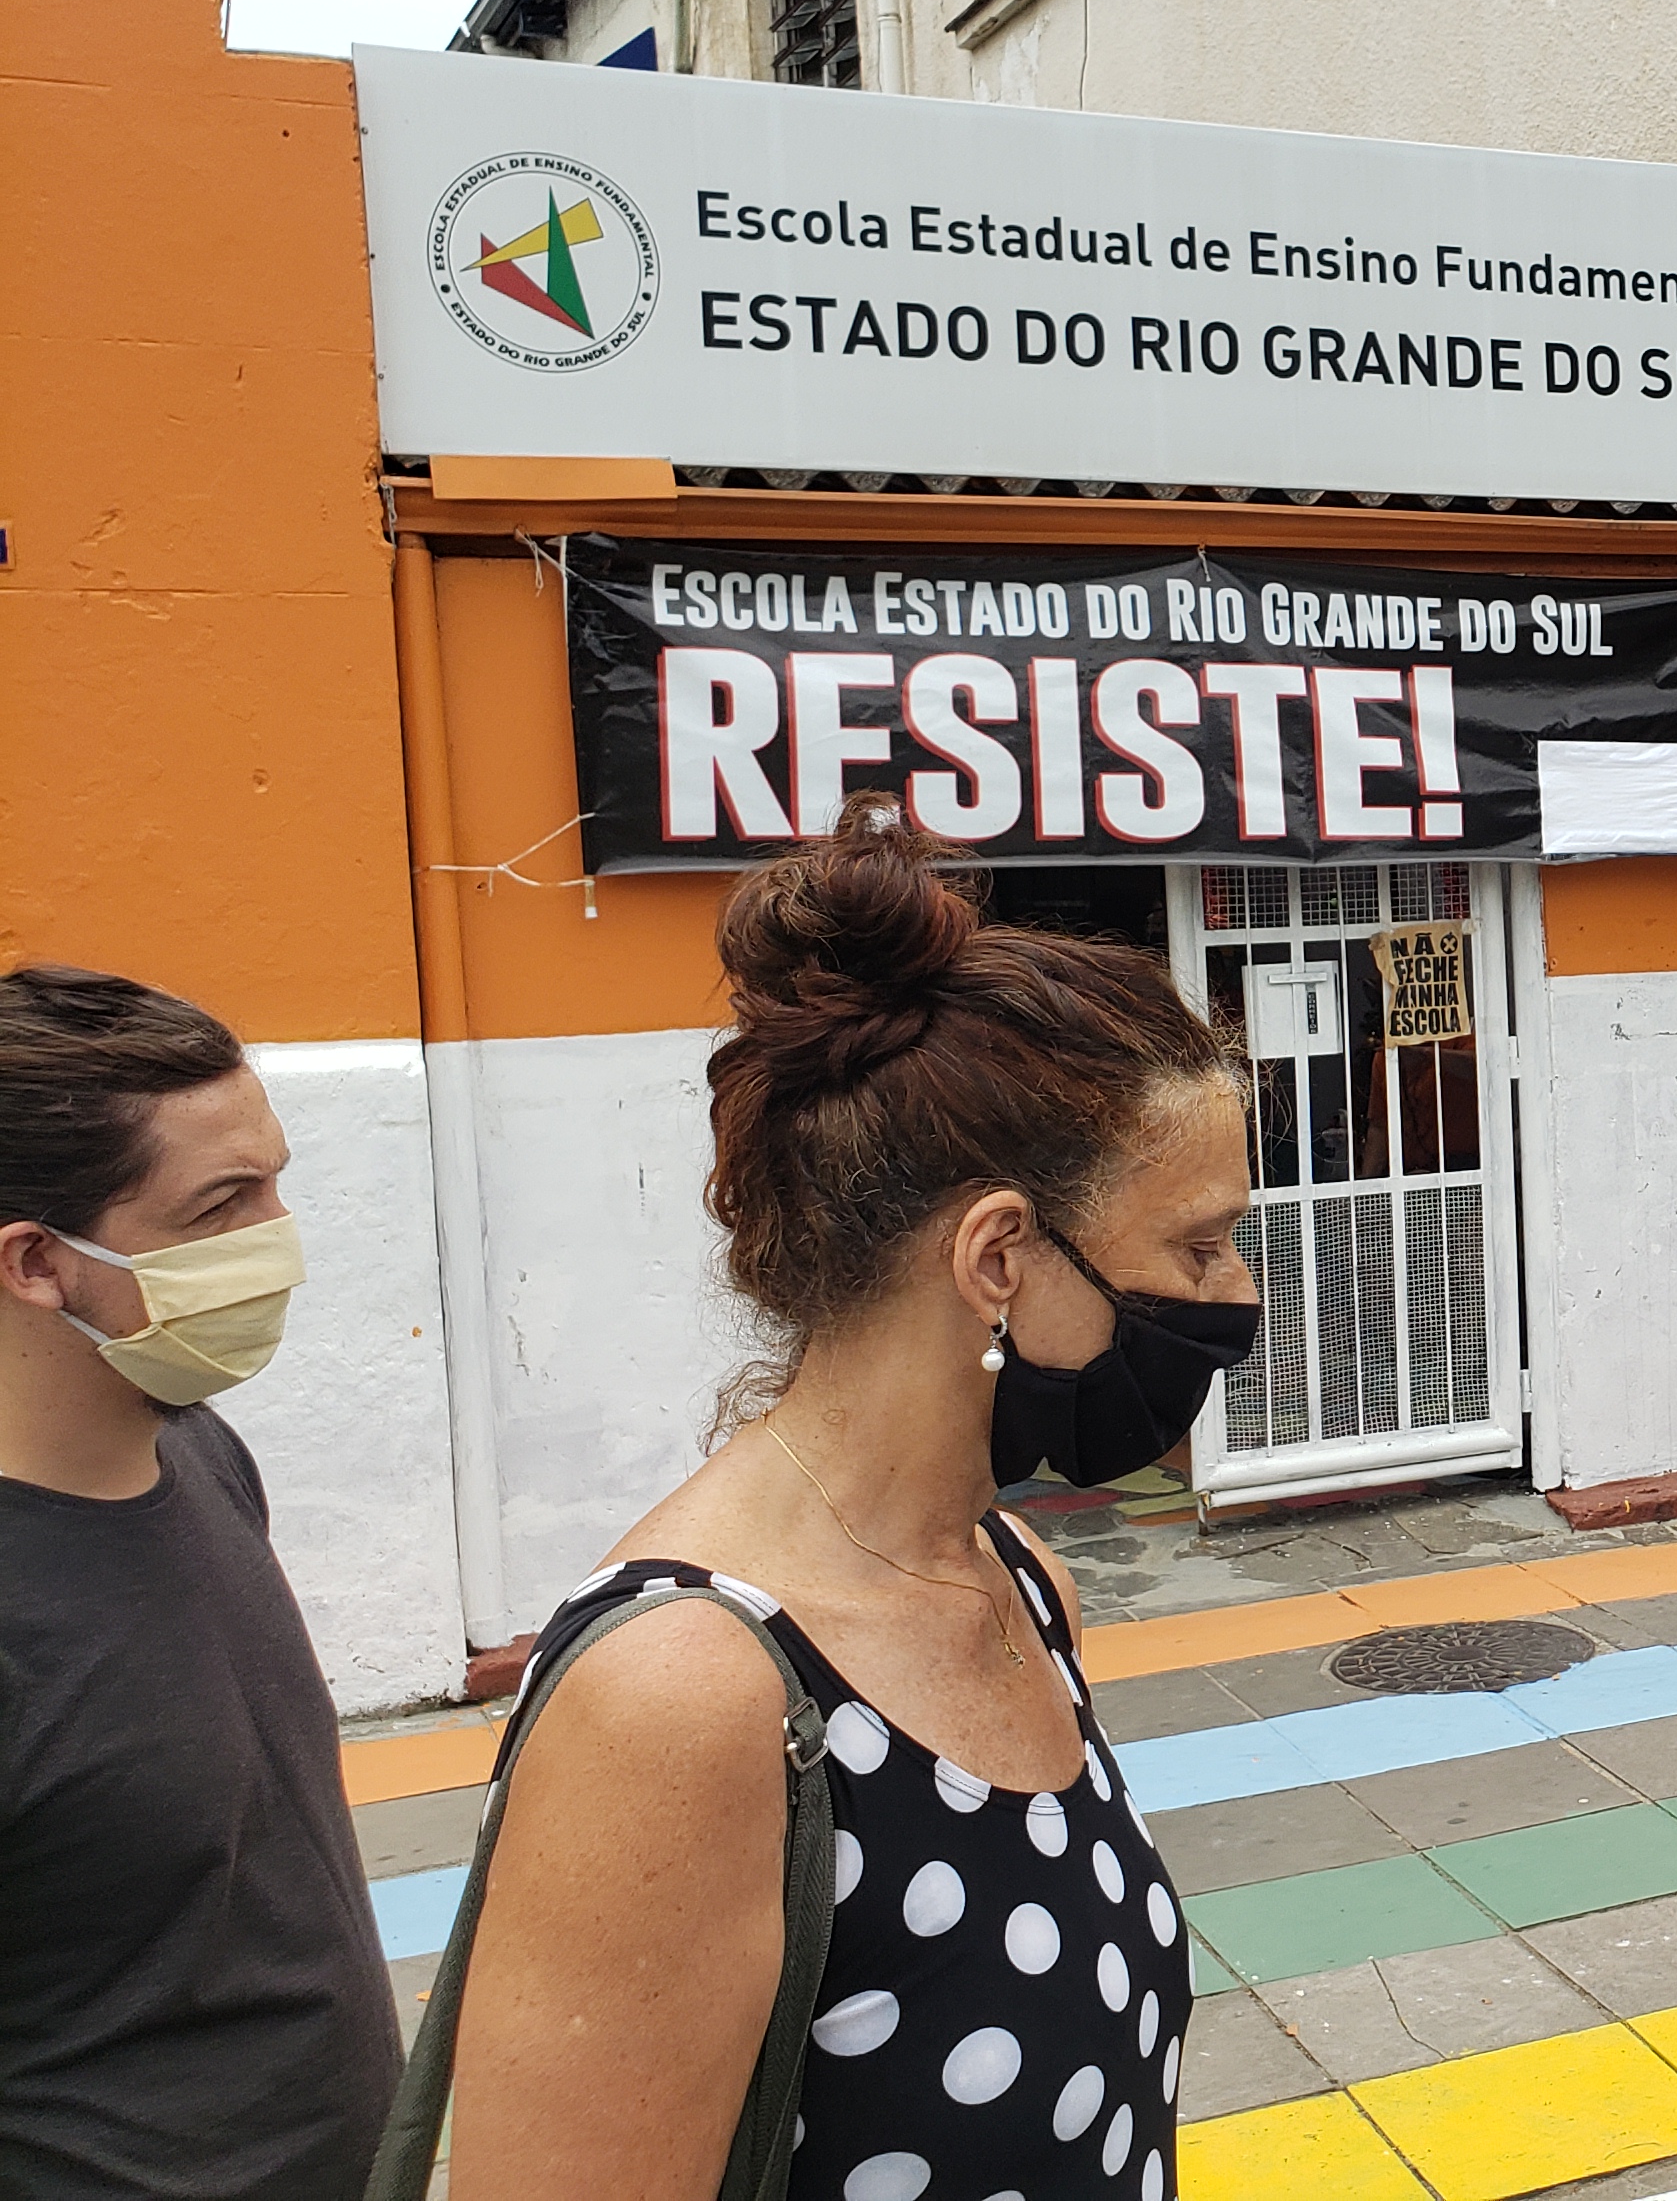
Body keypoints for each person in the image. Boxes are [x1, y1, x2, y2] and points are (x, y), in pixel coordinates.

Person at [440, 806, 1260, 2199]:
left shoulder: (1013, 1579)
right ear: (999, 1255)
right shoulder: (684, 1702)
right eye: (1199, 1241)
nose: (1235, 1293)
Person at [0, 964, 394, 2198]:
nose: (277, 1243)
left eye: (276, 1184)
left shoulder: (201, 1452)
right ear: (34, 1262)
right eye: (224, 1204)